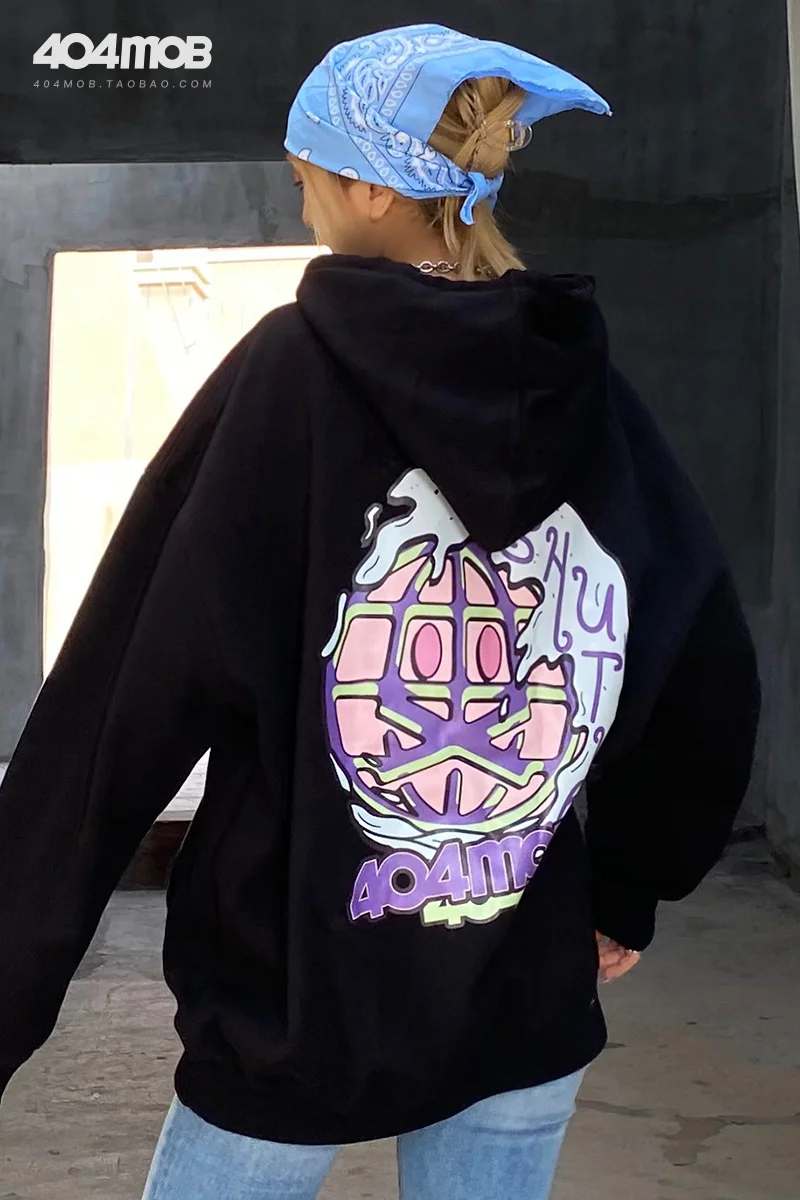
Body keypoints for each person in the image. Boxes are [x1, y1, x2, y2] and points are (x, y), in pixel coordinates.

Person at [0, 23, 760, 1200]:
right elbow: (702, 667)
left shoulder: (285, 378)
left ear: (368, 187)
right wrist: (626, 889)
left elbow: (120, 700)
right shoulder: (586, 390)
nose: (300, 201)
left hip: (295, 1004)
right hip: (519, 982)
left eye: (305, 175)